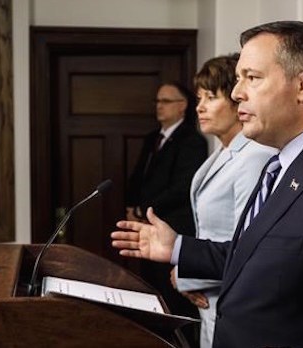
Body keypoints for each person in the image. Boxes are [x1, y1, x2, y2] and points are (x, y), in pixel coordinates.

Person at [112, 21, 303, 347]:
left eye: (252, 78)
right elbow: (257, 253)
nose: (238, 93)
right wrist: (178, 247)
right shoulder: (281, 161)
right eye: (239, 79)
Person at [170, 54, 276, 348]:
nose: (200, 107)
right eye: (199, 97)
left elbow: (249, 248)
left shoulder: (255, 157)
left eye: (211, 97)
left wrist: (187, 275)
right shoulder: (222, 153)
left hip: (237, 306)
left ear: (236, 101)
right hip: (213, 300)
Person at [125, 82, 207, 344]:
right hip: (146, 227)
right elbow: (139, 176)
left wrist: (143, 209)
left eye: (166, 101)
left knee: (173, 301)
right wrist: (131, 206)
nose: (159, 106)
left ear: (183, 106)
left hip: (173, 227)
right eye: (157, 101)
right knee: (151, 291)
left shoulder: (192, 140)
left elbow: (181, 187)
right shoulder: (153, 137)